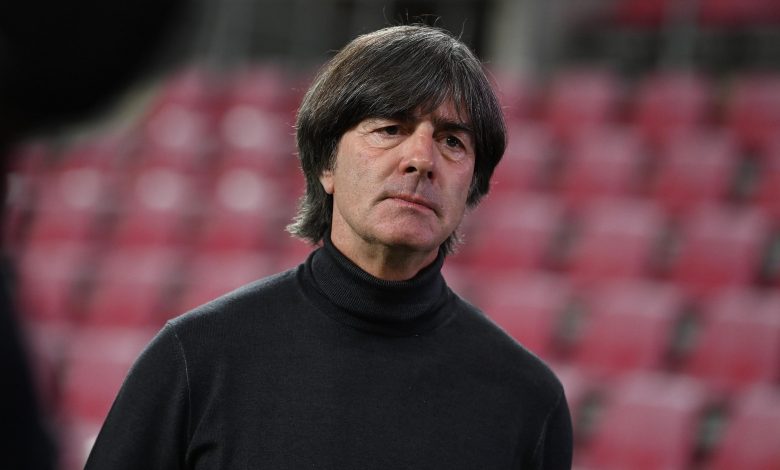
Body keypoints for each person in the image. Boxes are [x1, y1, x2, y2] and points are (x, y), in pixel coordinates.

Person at [85, 24, 573, 469]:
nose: (422, 159)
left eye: (452, 142)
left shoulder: (528, 400)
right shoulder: (196, 358)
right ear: (326, 165)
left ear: (472, 187)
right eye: (390, 129)